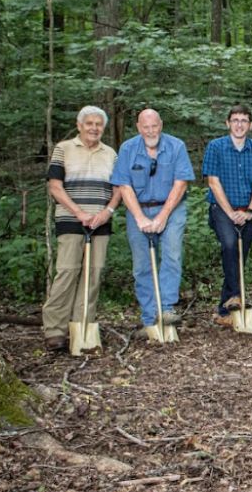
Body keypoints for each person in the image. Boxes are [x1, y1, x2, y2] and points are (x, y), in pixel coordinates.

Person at [40, 106, 122, 351]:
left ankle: (82, 327)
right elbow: (55, 186)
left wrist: (106, 212)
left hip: (101, 222)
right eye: (89, 123)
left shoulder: (111, 154)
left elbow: (118, 189)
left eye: (98, 124)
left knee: (93, 275)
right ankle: (55, 330)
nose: (94, 128)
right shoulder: (63, 149)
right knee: (67, 272)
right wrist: (79, 213)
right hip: (70, 220)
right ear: (79, 125)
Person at [112, 108, 195, 330]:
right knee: (142, 265)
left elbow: (181, 183)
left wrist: (163, 216)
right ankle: (150, 317)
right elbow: (124, 185)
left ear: (161, 125)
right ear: (139, 127)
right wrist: (140, 217)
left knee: (172, 255)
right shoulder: (128, 149)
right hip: (137, 209)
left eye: (154, 126)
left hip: (172, 208)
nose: (151, 131)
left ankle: (166, 308)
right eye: (146, 127)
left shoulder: (176, 146)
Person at [202, 105, 252, 326]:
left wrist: (250, 210)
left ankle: (225, 310)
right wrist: (230, 212)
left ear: (250, 125)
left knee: (240, 255)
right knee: (231, 245)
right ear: (228, 123)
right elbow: (213, 181)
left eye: (244, 120)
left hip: (246, 209)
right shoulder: (216, 147)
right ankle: (236, 296)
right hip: (221, 209)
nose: (239, 124)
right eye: (235, 120)